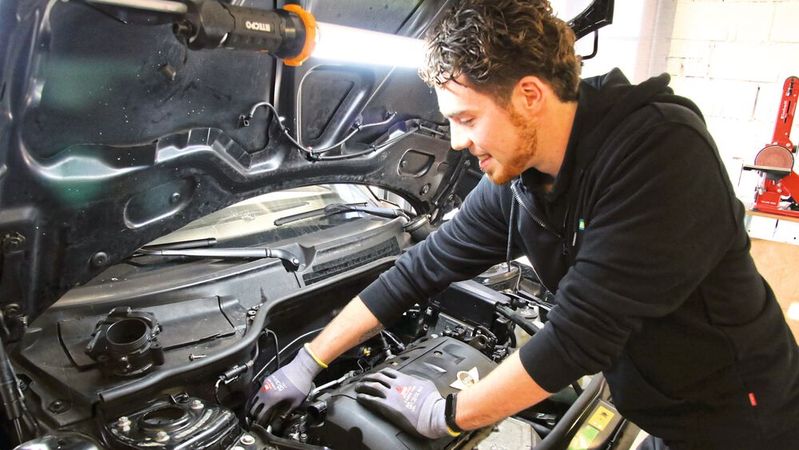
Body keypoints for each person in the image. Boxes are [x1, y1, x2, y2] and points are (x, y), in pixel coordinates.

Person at [248, 1, 799, 449]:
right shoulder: (525, 179)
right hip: (657, 404)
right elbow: (421, 267)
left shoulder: (660, 156)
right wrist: (308, 360)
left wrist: (447, 415)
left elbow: (576, 339)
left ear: (529, 95)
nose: (458, 142)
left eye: (466, 118)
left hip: (739, 418)